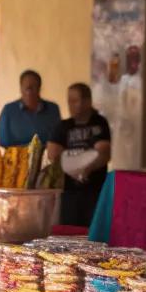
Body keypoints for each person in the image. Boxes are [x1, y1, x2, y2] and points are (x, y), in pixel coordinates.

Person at [47, 82, 111, 227]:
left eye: (75, 100)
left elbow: (103, 154)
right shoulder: (63, 126)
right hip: (69, 192)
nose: (71, 104)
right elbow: (53, 155)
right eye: (69, 100)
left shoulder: (99, 123)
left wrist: (85, 168)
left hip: (95, 190)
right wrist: (75, 169)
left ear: (87, 101)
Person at [0, 70, 61, 149]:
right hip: (17, 158)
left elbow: (58, 139)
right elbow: (3, 141)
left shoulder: (52, 109)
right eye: (27, 88)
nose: (29, 92)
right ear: (20, 88)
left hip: (46, 158)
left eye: (33, 87)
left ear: (39, 88)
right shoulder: (8, 110)